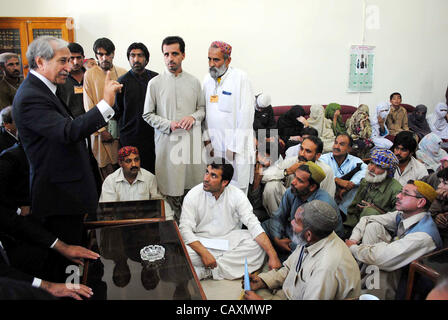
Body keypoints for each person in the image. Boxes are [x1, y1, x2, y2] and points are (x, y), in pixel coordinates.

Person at [12, 36, 123, 281]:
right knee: (67, 268)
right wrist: (105, 104)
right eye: (63, 60)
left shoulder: (46, 88)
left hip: (69, 193)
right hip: (59, 197)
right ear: (40, 62)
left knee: (79, 260)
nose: (70, 65)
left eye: (72, 60)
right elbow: (68, 132)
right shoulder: (31, 95)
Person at [179, 159, 281, 280]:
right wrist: (203, 253)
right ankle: (226, 263)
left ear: (225, 182)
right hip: (201, 242)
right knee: (180, 253)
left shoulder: (236, 195)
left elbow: (253, 224)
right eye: (207, 172)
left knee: (257, 245)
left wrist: (273, 255)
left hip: (229, 240)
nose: (206, 179)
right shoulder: (193, 194)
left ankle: (209, 272)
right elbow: (185, 229)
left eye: (213, 175)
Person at [143, 36, 205, 221]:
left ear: (183, 55)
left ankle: (191, 231)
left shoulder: (194, 82)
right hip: (167, 144)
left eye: (175, 54)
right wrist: (168, 124)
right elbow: (147, 114)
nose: (170, 58)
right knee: (169, 189)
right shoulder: (154, 83)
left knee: (192, 189)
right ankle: (173, 230)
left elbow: (202, 109)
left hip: (191, 143)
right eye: (166, 54)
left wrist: (192, 117)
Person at [244, 200, 360, 300]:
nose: (291, 223)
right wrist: (263, 281)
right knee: (250, 289)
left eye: (296, 221)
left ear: (308, 234)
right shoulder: (314, 237)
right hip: (288, 293)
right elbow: (290, 269)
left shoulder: (326, 268)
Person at [346, 180, 442, 300]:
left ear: (420, 202)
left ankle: (370, 292)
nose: (398, 196)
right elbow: (367, 218)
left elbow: (383, 259)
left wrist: (352, 248)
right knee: (373, 226)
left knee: (383, 269)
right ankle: (363, 281)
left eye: (405, 194)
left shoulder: (423, 236)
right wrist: (354, 240)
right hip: (396, 266)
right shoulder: (403, 215)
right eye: (401, 192)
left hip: (412, 285)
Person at [261, 161, 344, 261]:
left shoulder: (321, 205)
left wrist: (291, 245)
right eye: (295, 176)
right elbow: (278, 216)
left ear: (312, 187)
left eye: (299, 180)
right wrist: (277, 239)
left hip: (316, 242)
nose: (293, 182)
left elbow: (314, 239)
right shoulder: (292, 191)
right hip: (295, 231)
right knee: (264, 226)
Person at [203, 40, 255, 195]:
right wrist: (207, 139)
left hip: (236, 150)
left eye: (216, 60)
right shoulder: (207, 80)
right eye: (209, 59)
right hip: (215, 148)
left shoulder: (241, 78)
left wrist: (234, 147)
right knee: (216, 192)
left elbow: (247, 115)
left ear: (228, 60)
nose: (212, 63)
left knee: (237, 192)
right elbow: (205, 113)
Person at [83, 37, 127, 180]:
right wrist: (101, 130)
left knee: (123, 169)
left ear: (113, 54)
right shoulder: (89, 75)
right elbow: (88, 105)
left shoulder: (122, 72)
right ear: (96, 55)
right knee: (107, 176)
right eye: (100, 54)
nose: (104, 58)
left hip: (119, 130)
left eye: (108, 54)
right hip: (100, 132)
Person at [260, 135, 336, 217]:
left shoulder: (326, 171)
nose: (302, 154)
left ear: (317, 156)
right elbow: (264, 176)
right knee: (271, 186)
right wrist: (287, 171)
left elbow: (328, 199)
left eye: (308, 151)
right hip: (288, 204)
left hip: (310, 210)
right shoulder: (292, 162)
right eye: (301, 149)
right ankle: (277, 219)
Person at [115, 42, 158, 173]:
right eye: (132, 56)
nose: (136, 59)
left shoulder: (156, 79)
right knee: (130, 173)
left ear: (146, 59)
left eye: (140, 55)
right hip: (129, 136)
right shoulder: (121, 82)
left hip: (152, 135)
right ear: (128, 58)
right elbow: (117, 111)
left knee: (151, 172)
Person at [344, 148, 402, 231]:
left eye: (378, 166)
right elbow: (353, 209)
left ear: (388, 172)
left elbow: (397, 220)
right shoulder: (366, 181)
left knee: (369, 212)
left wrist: (376, 210)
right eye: (371, 163)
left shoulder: (396, 190)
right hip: (358, 227)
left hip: (379, 230)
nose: (371, 169)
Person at [319, 133, 368, 215]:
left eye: (341, 144)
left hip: (343, 199)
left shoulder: (355, 161)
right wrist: (337, 180)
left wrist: (350, 184)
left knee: (360, 185)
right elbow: (320, 169)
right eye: (335, 143)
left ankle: (343, 214)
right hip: (325, 198)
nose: (336, 147)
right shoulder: (324, 158)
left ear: (349, 149)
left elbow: (367, 170)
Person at [57, 42, 87, 118]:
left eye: (78, 57)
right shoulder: (59, 78)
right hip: (69, 124)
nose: (75, 62)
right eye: (72, 58)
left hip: (91, 123)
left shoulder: (90, 76)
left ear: (83, 58)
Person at [428, 167, 448, 247]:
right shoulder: (443, 198)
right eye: (440, 182)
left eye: (445, 183)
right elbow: (431, 215)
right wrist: (438, 199)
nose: (439, 186)